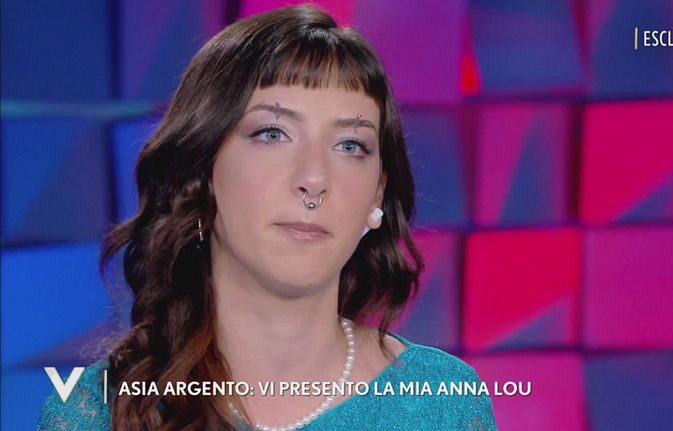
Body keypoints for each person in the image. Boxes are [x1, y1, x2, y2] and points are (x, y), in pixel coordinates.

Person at [36, 4, 498, 430]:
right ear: (200, 172)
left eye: (349, 145)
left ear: (377, 193)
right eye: (273, 134)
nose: (314, 179)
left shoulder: (442, 405)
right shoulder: (95, 413)